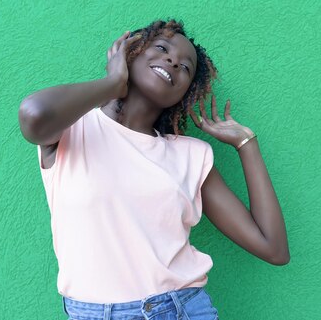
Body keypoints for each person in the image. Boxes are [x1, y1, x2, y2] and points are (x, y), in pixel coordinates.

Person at [18, 19, 290, 319]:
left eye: (186, 68)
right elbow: (33, 114)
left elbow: (273, 248)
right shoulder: (71, 128)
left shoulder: (191, 155)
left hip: (181, 309)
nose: (174, 61)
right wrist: (111, 83)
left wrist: (246, 145)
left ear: (185, 94)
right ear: (130, 53)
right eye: (162, 48)